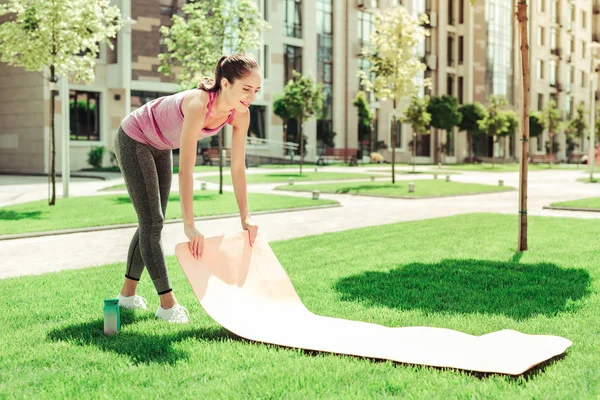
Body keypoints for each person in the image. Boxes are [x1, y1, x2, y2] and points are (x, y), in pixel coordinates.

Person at [112, 54, 261, 323]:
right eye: (246, 89)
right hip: (134, 137)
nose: (251, 96)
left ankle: (126, 296)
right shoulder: (198, 103)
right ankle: (167, 305)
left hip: (160, 146)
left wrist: (245, 215)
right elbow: (187, 170)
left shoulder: (240, 114)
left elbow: (237, 167)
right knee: (153, 221)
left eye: (256, 90)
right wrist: (189, 224)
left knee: (151, 223)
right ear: (225, 84)